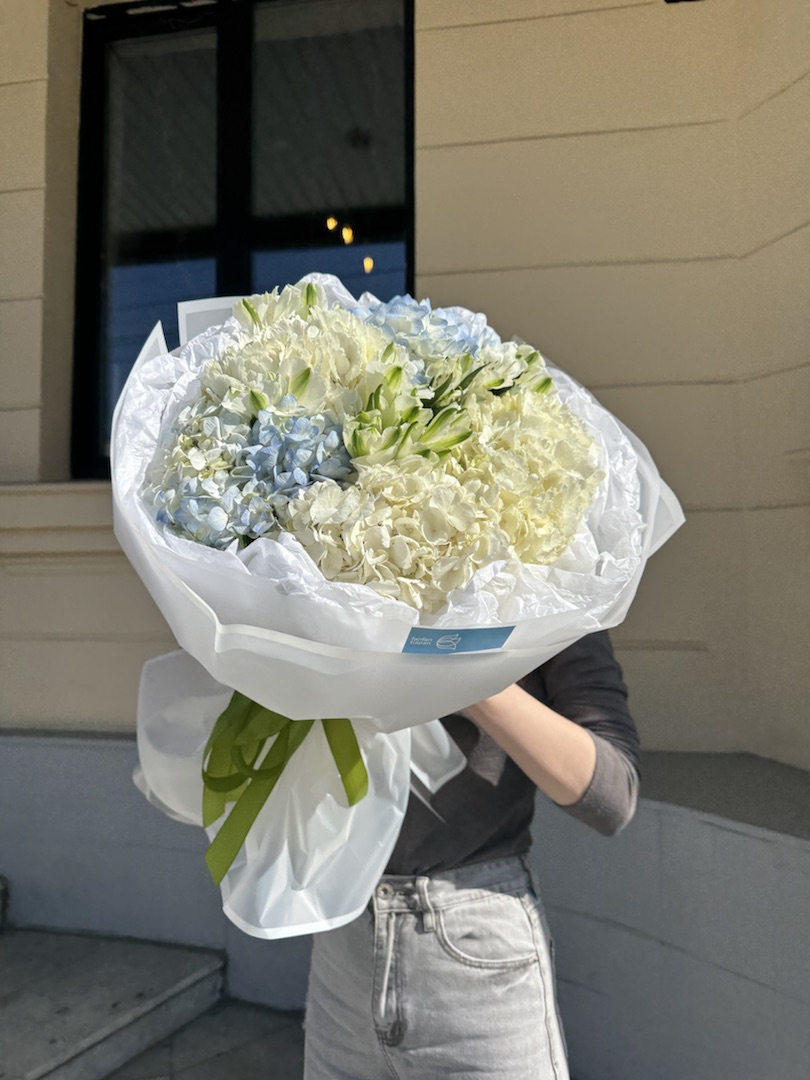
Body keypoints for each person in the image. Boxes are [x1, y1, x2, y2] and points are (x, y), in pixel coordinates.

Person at [303, 630, 640, 1080]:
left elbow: (613, 795)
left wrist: (466, 669)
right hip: (342, 942)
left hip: (473, 954)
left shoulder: (551, 596)